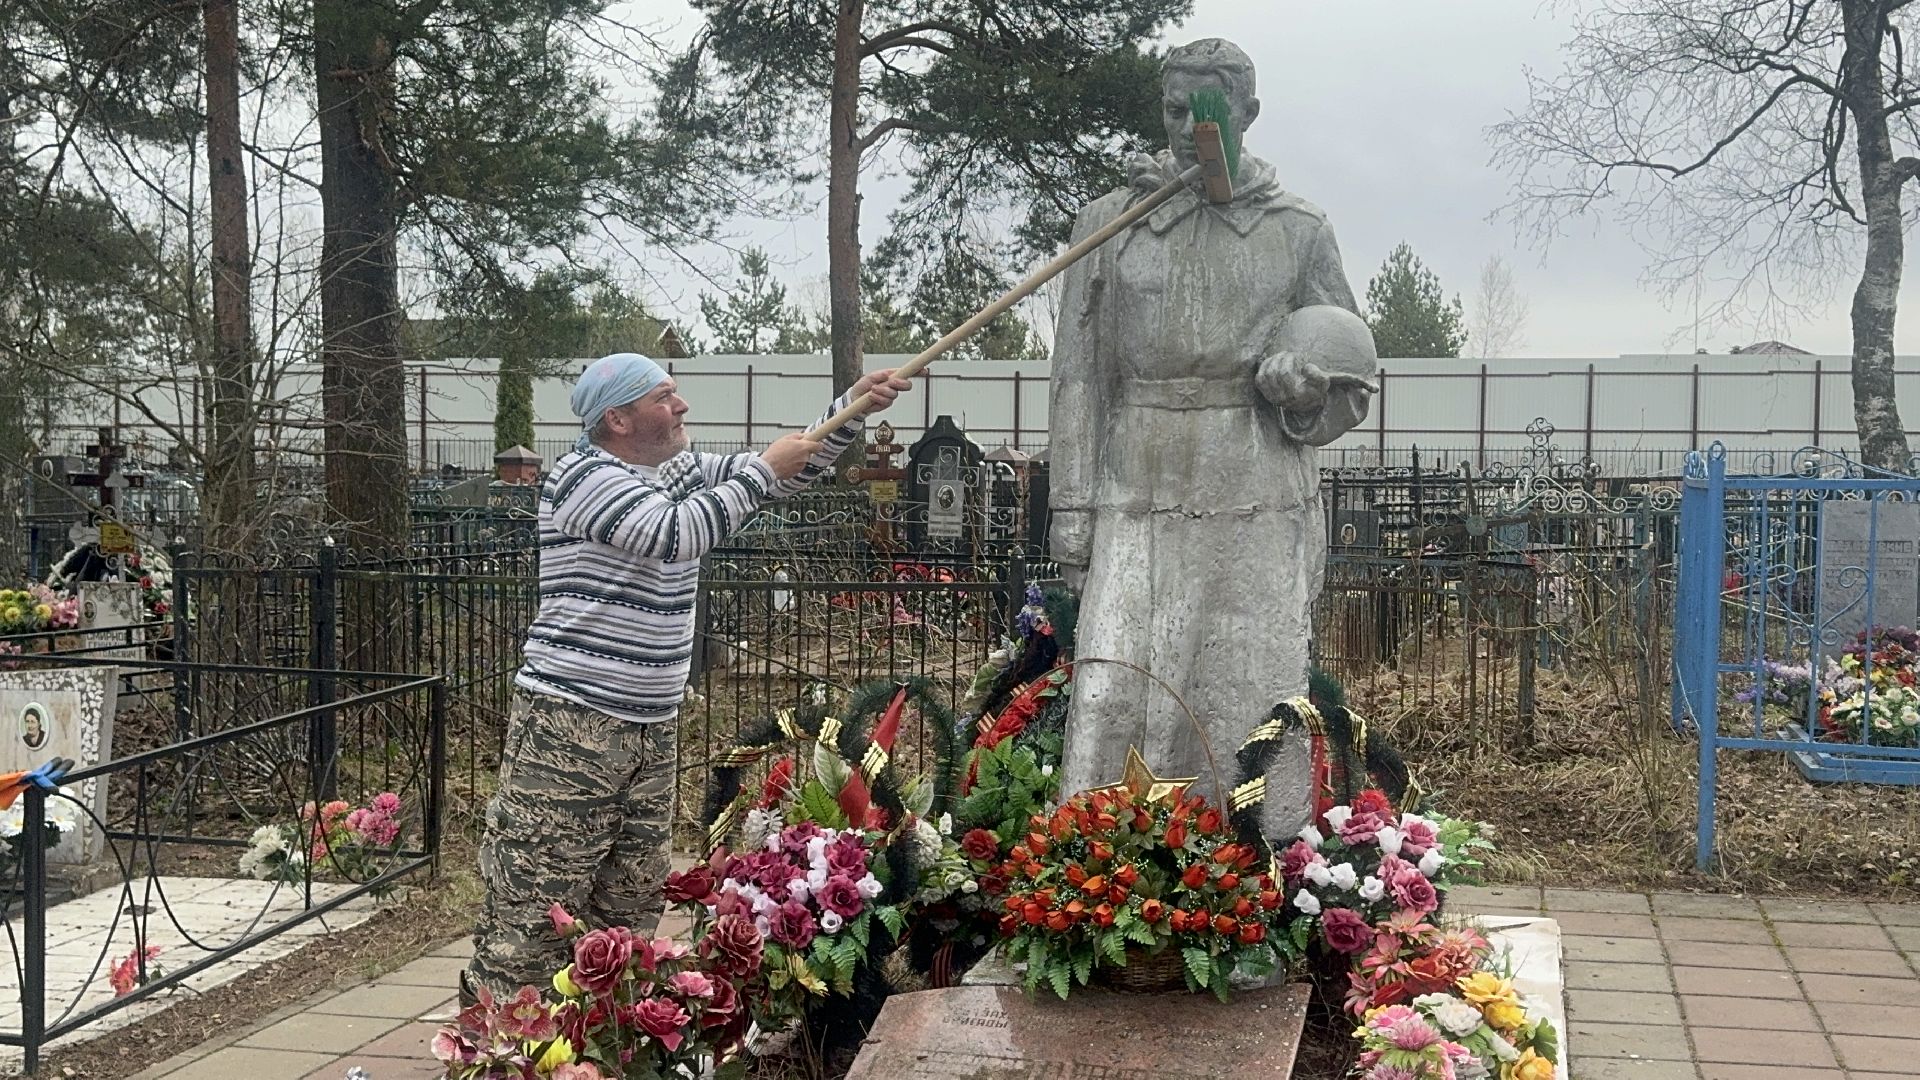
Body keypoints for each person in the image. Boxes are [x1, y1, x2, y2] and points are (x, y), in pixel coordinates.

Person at [466, 353, 911, 1001]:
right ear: (617, 418)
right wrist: (760, 473)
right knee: (535, 905)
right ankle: (499, 1048)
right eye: (664, 396)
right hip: (571, 726)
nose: (682, 407)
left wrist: (853, 407)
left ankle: (598, 1048)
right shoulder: (583, 477)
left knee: (630, 902)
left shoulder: (674, 471)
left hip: (650, 725)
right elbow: (673, 534)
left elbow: (793, 469)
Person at [1047, 39, 1378, 835]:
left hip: (1254, 483)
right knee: (1111, 683)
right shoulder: (1110, 224)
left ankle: (1254, 875)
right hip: (1138, 477)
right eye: (1173, 110)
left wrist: (1304, 393)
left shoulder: (1296, 229)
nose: (1188, 128)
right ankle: (1093, 879)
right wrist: (1072, 506)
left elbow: (1349, 371)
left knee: (1244, 682)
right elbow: (1079, 375)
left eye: (1208, 111)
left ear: (1247, 114)